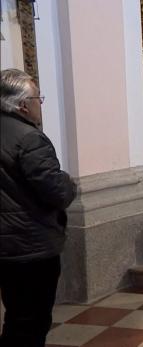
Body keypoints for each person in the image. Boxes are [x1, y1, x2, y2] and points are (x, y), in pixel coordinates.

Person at [0, 69, 76, 346]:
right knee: (33, 321)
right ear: (22, 104)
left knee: (16, 316)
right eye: (37, 97)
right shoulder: (29, 139)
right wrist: (69, 182)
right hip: (30, 244)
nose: (40, 103)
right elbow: (56, 191)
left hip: (6, 246)